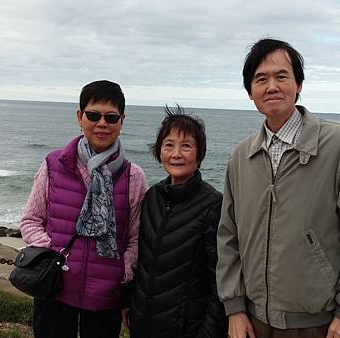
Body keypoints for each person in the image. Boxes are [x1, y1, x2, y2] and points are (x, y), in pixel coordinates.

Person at [216, 38, 340, 338]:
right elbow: (229, 236)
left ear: (299, 85)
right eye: (261, 79)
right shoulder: (241, 157)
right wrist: (235, 308)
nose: (272, 86)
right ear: (250, 92)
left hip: (318, 323)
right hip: (253, 321)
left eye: (281, 76)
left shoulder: (338, 145)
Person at [20, 80, 147, 338]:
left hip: (105, 297)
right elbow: (31, 220)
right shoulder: (55, 164)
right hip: (55, 290)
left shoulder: (134, 176)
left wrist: (123, 269)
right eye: (93, 115)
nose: (102, 124)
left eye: (111, 118)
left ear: (122, 121)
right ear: (80, 117)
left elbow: (136, 237)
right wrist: (51, 254)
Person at [125, 106, 227, 338]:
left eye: (186, 146)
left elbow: (219, 281)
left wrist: (209, 333)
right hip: (143, 325)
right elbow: (142, 262)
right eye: (169, 145)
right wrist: (130, 302)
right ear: (159, 151)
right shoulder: (152, 197)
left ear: (199, 155)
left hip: (186, 330)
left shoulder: (212, 205)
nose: (176, 153)